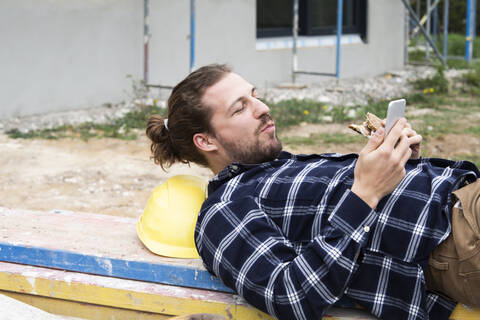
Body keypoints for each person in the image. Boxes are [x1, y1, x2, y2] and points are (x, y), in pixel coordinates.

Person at [146, 64, 480, 320]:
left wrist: (403, 162)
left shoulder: (277, 166)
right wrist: (364, 193)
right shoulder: (224, 211)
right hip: (458, 239)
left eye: (255, 95)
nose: (262, 107)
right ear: (206, 141)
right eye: (240, 108)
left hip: (464, 201)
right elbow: (289, 296)